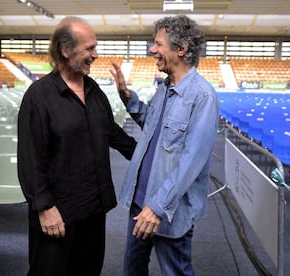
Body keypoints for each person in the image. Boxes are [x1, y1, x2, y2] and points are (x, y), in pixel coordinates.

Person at [17, 16, 136, 276]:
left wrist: (149, 155)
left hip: (94, 209)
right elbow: (30, 160)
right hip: (57, 215)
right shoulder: (39, 97)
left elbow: (113, 134)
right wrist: (45, 208)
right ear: (65, 50)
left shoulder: (94, 91)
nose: (96, 54)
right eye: (89, 48)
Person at [109, 15, 220, 276]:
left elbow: (191, 162)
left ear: (180, 49)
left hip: (167, 209)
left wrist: (157, 207)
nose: (152, 49)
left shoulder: (203, 96)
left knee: (176, 271)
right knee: (132, 269)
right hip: (140, 202)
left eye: (158, 44)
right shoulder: (166, 87)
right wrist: (127, 97)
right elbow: (151, 122)